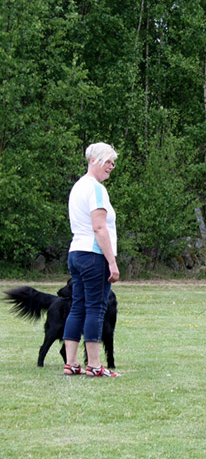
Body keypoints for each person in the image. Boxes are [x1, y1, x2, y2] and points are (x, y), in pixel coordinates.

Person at [63, 142, 121, 377]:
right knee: (96, 308)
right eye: (108, 161)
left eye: (113, 162)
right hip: (93, 254)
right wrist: (112, 262)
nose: (112, 166)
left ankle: (72, 363)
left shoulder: (78, 186)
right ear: (94, 161)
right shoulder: (97, 189)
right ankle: (95, 366)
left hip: (75, 253)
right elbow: (99, 228)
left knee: (77, 307)